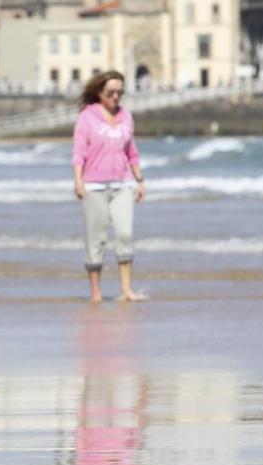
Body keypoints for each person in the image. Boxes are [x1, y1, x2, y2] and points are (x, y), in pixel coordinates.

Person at [72, 71, 146, 303]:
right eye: (110, 93)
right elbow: (78, 153)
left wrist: (139, 180)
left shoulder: (126, 117)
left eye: (120, 92)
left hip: (123, 184)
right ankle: (96, 293)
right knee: (97, 239)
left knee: (125, 234)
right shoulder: (87, 117)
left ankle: (126, 290)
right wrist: (78, 182)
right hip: (94, 186)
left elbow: (131, 151)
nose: (116, 97)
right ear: (99, 93)